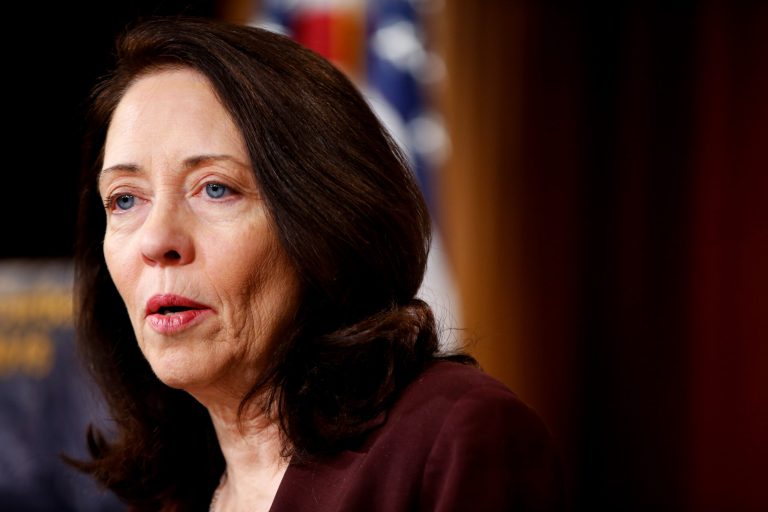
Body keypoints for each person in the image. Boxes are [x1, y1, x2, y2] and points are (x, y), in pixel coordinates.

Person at [71, 17, 564, 512]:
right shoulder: (170, 494)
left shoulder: (452, 439)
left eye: (216, 188)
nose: (156, 240)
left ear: (323, 218)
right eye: (126, 200)